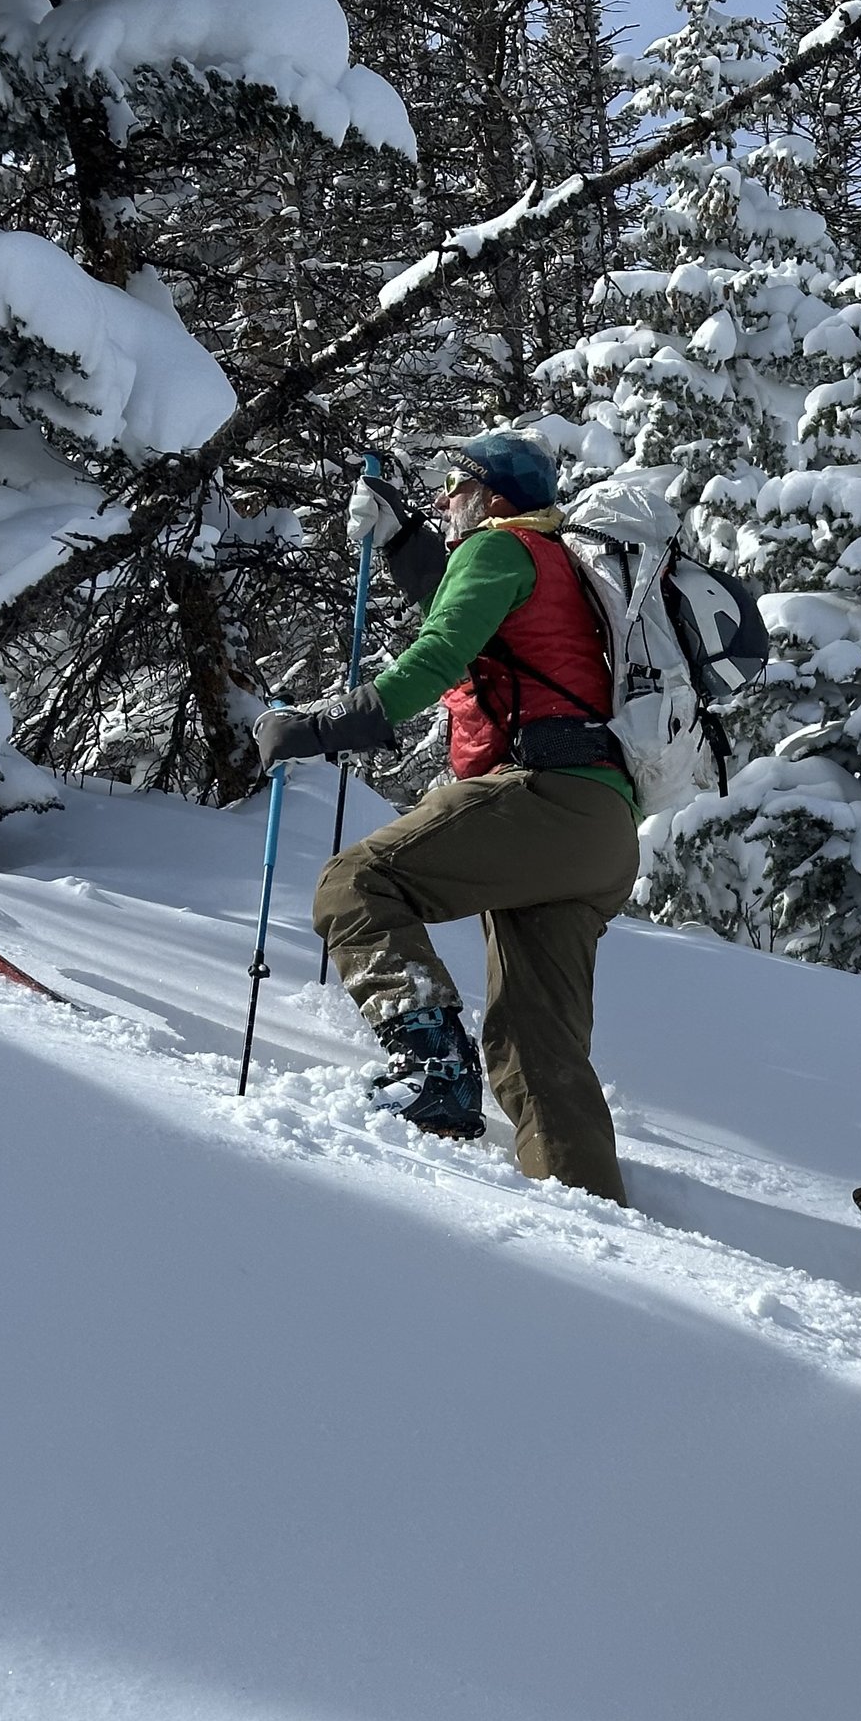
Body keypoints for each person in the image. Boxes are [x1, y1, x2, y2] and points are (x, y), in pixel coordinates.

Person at [253, 431, 639, 1207]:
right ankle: (596, 1221)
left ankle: (431, 1071)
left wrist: (323, 725)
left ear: (491, 498)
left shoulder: (501, 551)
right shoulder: (548, 561)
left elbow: (439, 654)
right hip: (601, 826)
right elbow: (473, 613)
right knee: (540, 1053)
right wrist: (402, 540)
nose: (439, 498)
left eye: (451, 485)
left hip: (545, 793)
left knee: (356, 882)